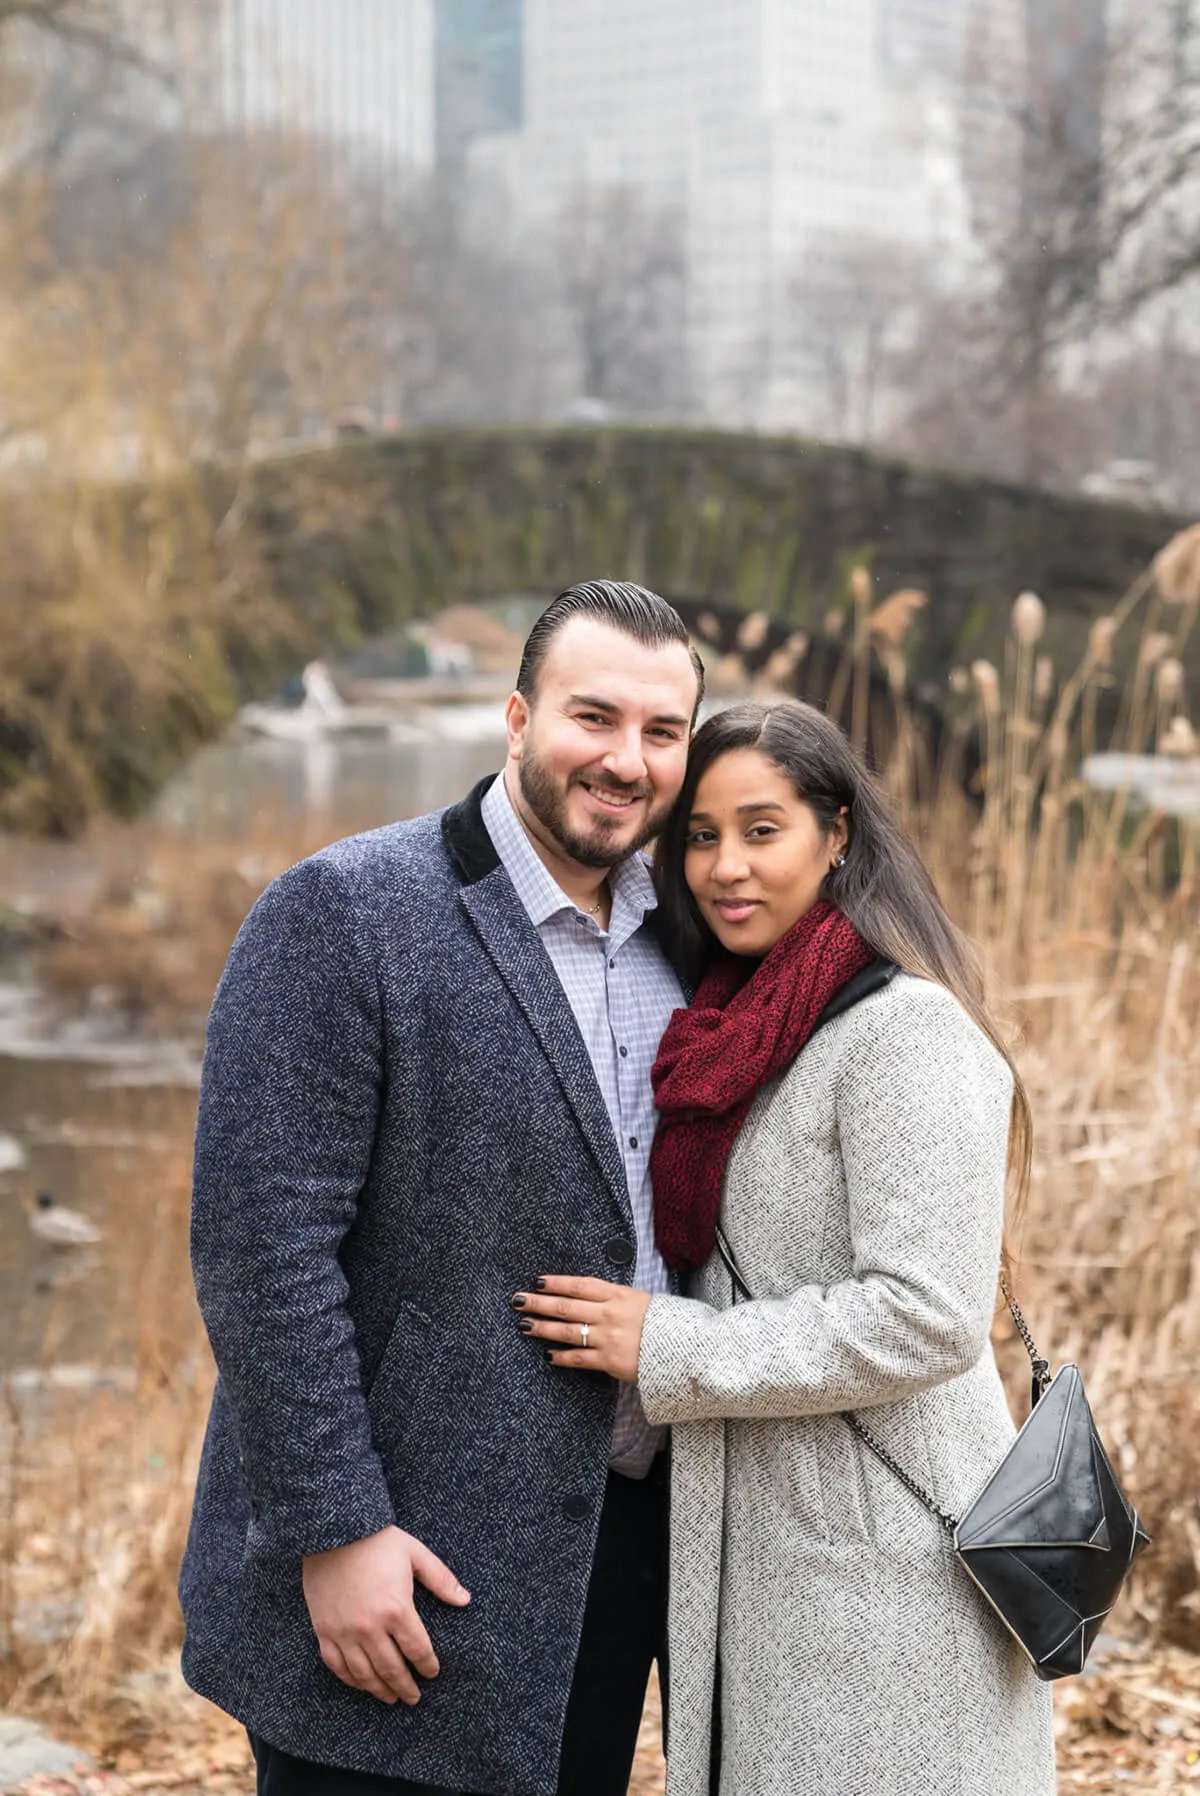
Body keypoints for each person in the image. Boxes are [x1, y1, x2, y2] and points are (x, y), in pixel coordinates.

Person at [179, 580, 704, 1796]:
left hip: (598, 1557)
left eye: (663, 731)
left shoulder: (691, 932)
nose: (627, 760)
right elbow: (262, 1247)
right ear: (517, 718)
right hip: (395, 1564)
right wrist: (335, 1529)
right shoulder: (345, 911)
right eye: (594, 716)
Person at [515, 699, 1059, 1796]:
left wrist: (669, 1343)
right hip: (766, 1560)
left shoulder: (907, 1031)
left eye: (763, 829)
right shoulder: (727, 1023)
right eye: (702, 835)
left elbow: (928, 1314)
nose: (726, 866)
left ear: (837, 833)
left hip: (891, 1576)